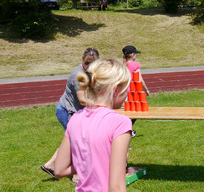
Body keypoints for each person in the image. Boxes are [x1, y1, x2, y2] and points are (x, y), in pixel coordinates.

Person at [54, 58, 134, 191]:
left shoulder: (75, 118)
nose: (127, 94)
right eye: (126, 89)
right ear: (115, 90)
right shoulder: (120, 122)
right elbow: (117, 187)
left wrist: (94, 162)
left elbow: (59, 169)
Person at [41, 48, 99, 180]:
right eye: (86, 63)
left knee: (72, 140)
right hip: (66, 111)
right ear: (82, 60)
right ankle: (76, 176)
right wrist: (100, 105)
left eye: (92, 64)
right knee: (77, 141)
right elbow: (83, 100)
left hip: (74, 112)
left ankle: (50, 164)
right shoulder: (77, 75)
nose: (88, 66)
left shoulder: (89, 73)